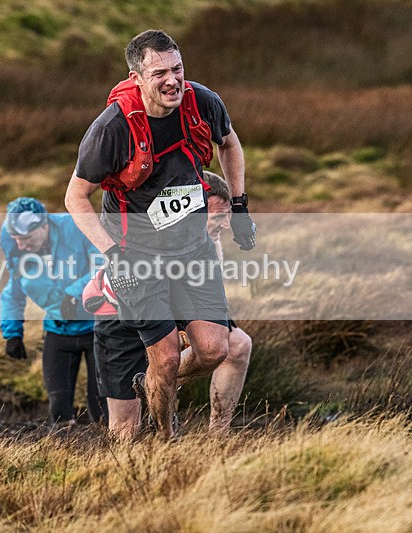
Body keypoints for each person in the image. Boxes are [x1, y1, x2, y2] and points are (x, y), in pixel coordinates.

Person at [65, 30, 256, 439]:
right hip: (137, 256)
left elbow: (230, 143)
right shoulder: (111, 129)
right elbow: (75, 198)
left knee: (214, 349)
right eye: (160, 73)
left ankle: (151, 383)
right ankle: (166, 437)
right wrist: (113, 253)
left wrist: (238, 206)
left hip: (193, 250)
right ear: (136, 77)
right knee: (166, 358)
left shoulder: (203, 101)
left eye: (178, 69)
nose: (173, 81)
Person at [84, 172, 252, 439]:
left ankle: (218, 435)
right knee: (126, 431)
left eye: (228, 215)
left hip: (169, 309)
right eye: (219, 216)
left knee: (236, 345)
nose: (227, 224)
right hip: (119, 315)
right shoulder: (156, 232)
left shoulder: (210, 243)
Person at [0, 197, 105, 425]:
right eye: (16, 239)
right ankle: (64, 454)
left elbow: (103, 265)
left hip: (96, 327)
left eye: (25, 239)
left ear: (44, 226)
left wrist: (74, 293)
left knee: (101, 407)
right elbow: (13, 291)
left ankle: (110, 453)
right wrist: (12, 333)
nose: (20, 246)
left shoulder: (77, 226)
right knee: (58, 408)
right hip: (57, 329)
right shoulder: (15, 247)